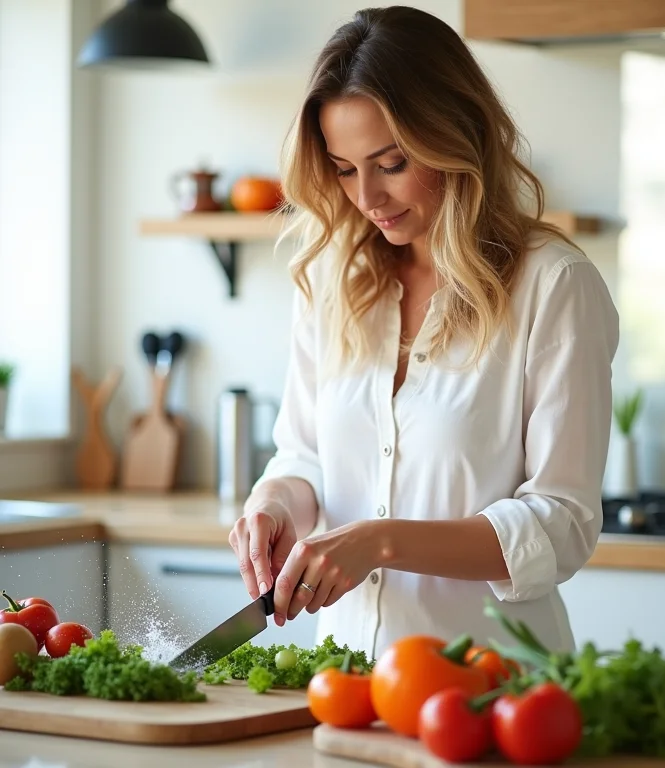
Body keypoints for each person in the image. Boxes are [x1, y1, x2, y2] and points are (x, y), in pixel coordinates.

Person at [229, 5, 619, 661]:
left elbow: (561, 523)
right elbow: (305, 456)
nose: (367, 198)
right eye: (345, 168)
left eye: (392, 162)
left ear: (455, 135)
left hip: (494, 691)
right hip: (345, 682)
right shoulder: (333, 280)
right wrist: (273, 504)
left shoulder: (553, 285)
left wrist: (382, 540)